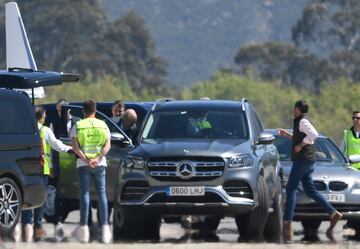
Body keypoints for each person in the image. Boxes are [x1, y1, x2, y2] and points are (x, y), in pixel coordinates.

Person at [278, 100, 342, 241]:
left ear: (298, 109)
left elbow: (314, 134)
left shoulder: (303, 121)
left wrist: (300, 146)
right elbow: (301, 136)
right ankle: (332, 212)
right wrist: (287, 135)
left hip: (303, 160)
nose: (293, 110)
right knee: (310, 190)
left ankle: (287, 223)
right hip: (307, 160)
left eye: (295, 108)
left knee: (290, 189)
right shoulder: (300, 122)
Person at [19, 106, 72, 242]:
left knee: (27, 197)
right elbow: (56, 145)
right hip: (42, 169)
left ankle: (26, 228)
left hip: (26, 168)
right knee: (40, 200)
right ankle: (38, 227)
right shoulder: (45, 130)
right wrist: (70, 149)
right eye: (45, 114)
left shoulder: (26, 129)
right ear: (42, 116)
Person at [70, 99, 112, 243]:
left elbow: (75, 147)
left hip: (83, 164)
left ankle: (84, 230)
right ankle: (105, 228)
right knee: (101, 195)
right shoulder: (103, 125)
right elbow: (107, 145)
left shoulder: (78, 125)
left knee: (84, 194)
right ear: (95, 110)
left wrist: (86, 159)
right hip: (100, 164)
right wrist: (98, 158)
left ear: (83, 111)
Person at [47, 98, 72, 242]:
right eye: (58, 108)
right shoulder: (53, 123)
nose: (60, 111)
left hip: (73, 163)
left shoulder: (76, 121)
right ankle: (58, 221)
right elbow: (51, 145)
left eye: (63, 108)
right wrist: (50, 165)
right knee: (57, 192)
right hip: (57, 162)